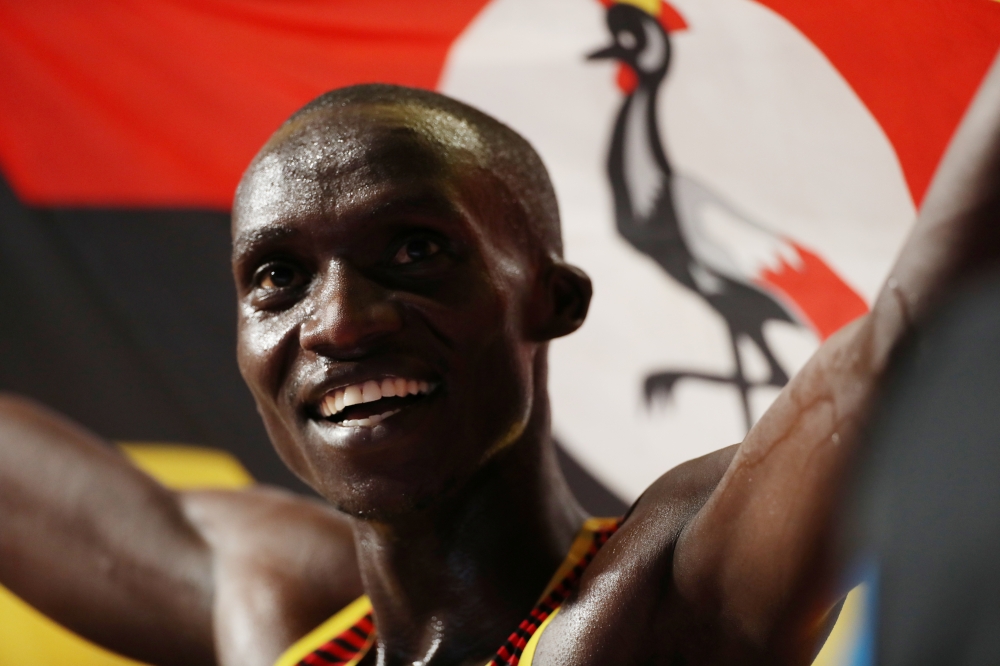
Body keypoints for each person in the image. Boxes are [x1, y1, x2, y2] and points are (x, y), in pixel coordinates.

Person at [1, 50, 998, 666]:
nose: (339, 322)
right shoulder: (280, 618)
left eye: (415, 252)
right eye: (277, 278)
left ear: (550, 301)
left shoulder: (655, 607)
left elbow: (909, 340)